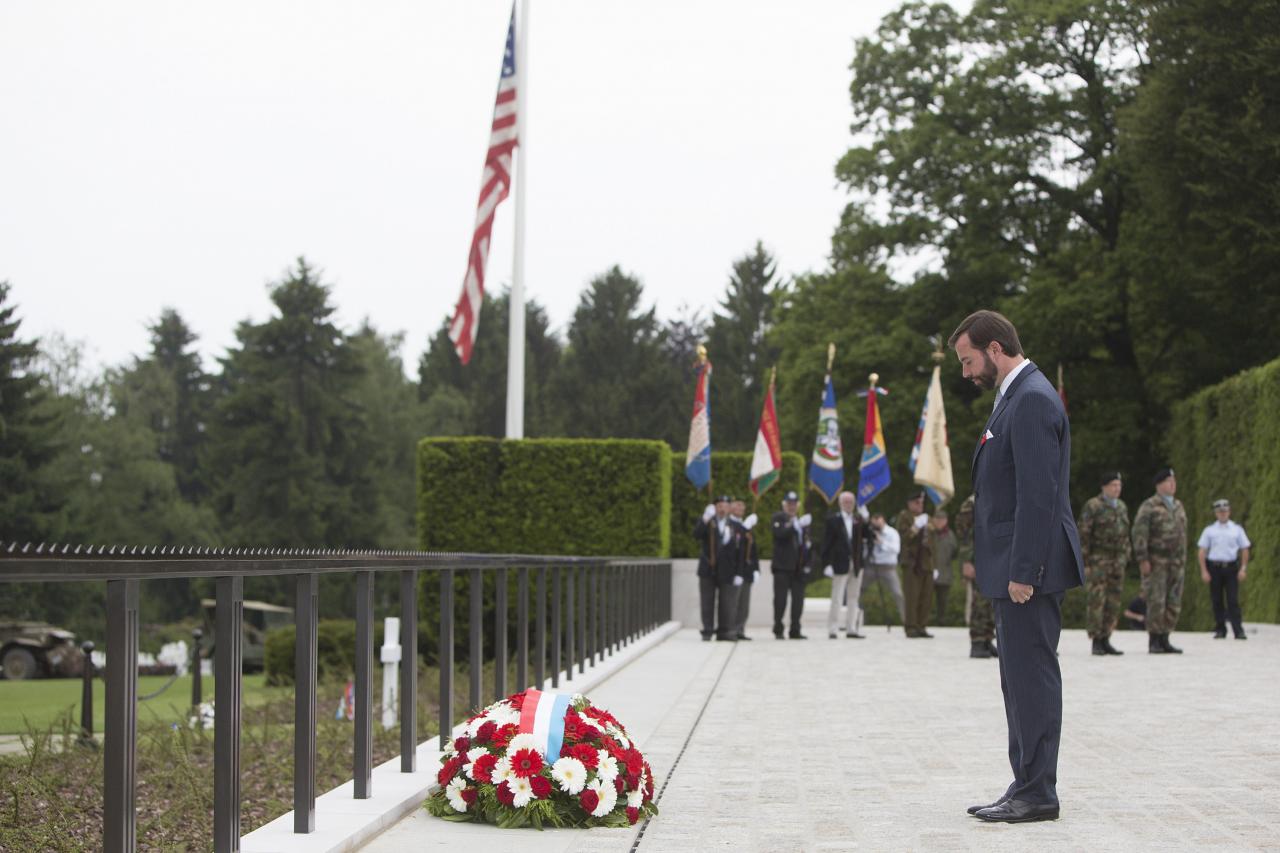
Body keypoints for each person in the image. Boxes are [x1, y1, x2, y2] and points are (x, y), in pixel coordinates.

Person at [950, 309, 1083, 824]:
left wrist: (1024, 570)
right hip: (1015, 565)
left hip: (1030, 569)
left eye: (968, 361)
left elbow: (1038, 495)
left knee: (1031, 678)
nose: (966, 373)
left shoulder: (1029, 400)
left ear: (995, 348)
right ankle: (1025, 782)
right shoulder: (1015, 397)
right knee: (1018, 678)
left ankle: (1038, 793)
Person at [1132, 468, 1188, 654]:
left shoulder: (1178, 506)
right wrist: (1143, 559)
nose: (1173, 484)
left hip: (1176, 563)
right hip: (1156, 561)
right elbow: (1140, 534)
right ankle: (1154, 639)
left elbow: (1183, 535)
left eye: (1174, 481)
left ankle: (1165, 637)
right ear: (1159, 485)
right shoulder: (1149, 506)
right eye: (1168, 481)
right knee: (1157, 600)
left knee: (1173, 600)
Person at [1077, 472, 1132, 656]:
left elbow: (1125, 535)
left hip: (1117, 562)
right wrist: (1085, 562)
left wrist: (1126, 557)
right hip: (1098, 561)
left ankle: (1107, 637)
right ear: (1104, 487)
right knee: (1097, 601)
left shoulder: (1121, 507)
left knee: (1113, 601)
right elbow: (1083, 535)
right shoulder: (1093, 506)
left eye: (1119, 485)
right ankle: (1096, 640)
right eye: (1113, 485)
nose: (1117, 488)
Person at [1196, 498, 1251, 640]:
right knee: (1217, 599)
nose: (1223, 514)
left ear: (1229, 512)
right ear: (1216, 513)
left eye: (1225, 511)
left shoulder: (1236, 529)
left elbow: (1244, 549)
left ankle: (1238, 629)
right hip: (1214, 567)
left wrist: (1243, 568)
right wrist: (1204, 570)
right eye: (1220, 512)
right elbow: (1202, 551)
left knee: (1233, 599)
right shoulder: (1209, 531)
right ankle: (1220, 628)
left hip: (1231, 567)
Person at [821, 491, 871, 639]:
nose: (849, 505)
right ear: (841, 503)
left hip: (855, 563)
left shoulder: (857, 520)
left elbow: (868, 536)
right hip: (839, 562)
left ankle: (851, 628)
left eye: (851, 502)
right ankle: (833, 628)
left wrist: (866, 520)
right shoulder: (833, 520)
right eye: (846, 502)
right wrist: (827, 563)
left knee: (853, 597)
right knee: (837, 597)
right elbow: (827, 543)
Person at [955, 493, 997, 659]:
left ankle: (987, 638)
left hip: (993, 556)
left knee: (991, 601)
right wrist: (966, 561)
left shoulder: (996, 496)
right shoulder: (971, 503)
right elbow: (964, 535)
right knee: (979, 600)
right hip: (977, 558)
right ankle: (977, 641)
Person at [693, 494, 741, 642]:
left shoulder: (734, 525)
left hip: (727, 570)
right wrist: (704, 518)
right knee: (707, 601)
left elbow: (739, 551)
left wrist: (739, 572)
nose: (722, 509)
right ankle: (707, 630)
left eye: (725, 506)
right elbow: (696, 534)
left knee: (727, 602)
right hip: (708, 568)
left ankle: (724, 631)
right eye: (719, 506)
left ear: (729, 508)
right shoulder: (708, 521)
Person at [770, 491, 812, 639]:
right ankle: (778, 628)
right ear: (784, 505)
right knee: (780, 600)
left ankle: (795, 628)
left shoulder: (802, 522)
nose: (792, 507)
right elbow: (780, 534)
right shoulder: (778, 518)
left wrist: (808, 564)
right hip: (782, 567)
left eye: (794, 504)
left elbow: (806, 545)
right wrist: (794, 526)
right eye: (789, 504)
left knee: (798, 600)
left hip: (798, 568)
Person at [895, 491, 935, 638]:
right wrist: (916, 526)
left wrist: (934, 565)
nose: (920, 505)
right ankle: (911, 627)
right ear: (910, 503)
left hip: (926, 563)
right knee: (912, 596)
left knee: (926, 597)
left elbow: (932, 540)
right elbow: (905, 538)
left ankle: (922, 626)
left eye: (921, 503)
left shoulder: (927, 518)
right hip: (911, 562)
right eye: (917, 503)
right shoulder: (905, 516)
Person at [859, 512, 906, 628]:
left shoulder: (892, 533)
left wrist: (881, 542)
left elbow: (896, 549)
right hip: (871, 566)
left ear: (883, 520)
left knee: (898, 593)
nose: (876, 524)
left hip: (888, 567)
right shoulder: (869, 532)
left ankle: (906, 620)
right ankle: (857, 618)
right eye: (873, 522)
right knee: (857, 591)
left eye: (878, 520)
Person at [730, 499, 761, 641]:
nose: (740, 507)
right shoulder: (731, 524)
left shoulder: (746, 527)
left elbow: (753, 550)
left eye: (742, 505)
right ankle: (731, 630)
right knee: (733, 603)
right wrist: (744, 528)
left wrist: (756, 569)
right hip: (735, 571)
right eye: (737, 504)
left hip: (747, 571)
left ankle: (740, 629)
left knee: (744, 604)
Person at [930, 509, 958, 626]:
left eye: (942, 519)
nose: (939, 522)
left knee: (943, 601)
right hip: (929, 571)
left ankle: (941, 622)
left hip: (945, 573)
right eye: (937, 519)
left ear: (946, 521)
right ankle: (924, 622)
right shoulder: (929, 533)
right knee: (926, 599)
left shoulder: (950, 535)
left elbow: (955, 552)